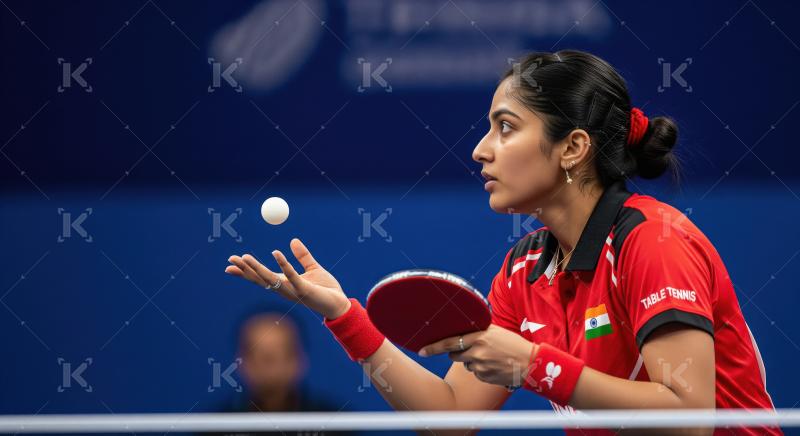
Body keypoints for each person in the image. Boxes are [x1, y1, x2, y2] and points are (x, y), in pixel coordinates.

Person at [225, 50, 780, 435]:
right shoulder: (526, 268)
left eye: (506, 127)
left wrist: (535, 365)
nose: (481, 151)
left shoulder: (654, 242)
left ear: (573, 147)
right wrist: (344, 314)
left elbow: (686, 420)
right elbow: (450, 416)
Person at [208, 310, 355, 436]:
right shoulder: (215, 428)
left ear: (300, 359)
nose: (270, 364)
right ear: (240, 361)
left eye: (282, 352)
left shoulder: (336, 425)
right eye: (261, 355)